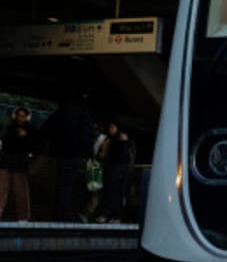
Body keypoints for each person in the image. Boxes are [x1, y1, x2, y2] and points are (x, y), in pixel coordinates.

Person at [40, 91, 94, 221]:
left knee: (60, 183)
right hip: (75, 154)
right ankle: (64, 213)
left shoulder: (60, 112)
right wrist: (88, 153)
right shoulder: (83, 112)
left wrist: (54, 144)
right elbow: (87, 134)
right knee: (68, 184)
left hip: (61, 153)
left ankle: (57, 212)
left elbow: (45, 130)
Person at [0, 107, 36, 221]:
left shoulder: (31, 130)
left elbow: (34, 146)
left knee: (21, 192)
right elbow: (4, 143)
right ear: (15, 116)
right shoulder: (9, 128)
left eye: (23, 116)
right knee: (1, 190)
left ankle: (23, 218)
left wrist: (26, 137)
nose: (20, 118)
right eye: (18, 115)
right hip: (6, 162)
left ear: (27, 117)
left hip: (20, 164)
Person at [97, 121, 133, 223]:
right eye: (110, 127)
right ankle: (106, 214)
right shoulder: (108, 139)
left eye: (113, 127)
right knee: (107, 193)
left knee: (117, 194)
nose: (111, 130)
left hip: (119, 171)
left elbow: (123, 157)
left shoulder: (122, 140)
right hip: (110, 170)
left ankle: (115, 216)